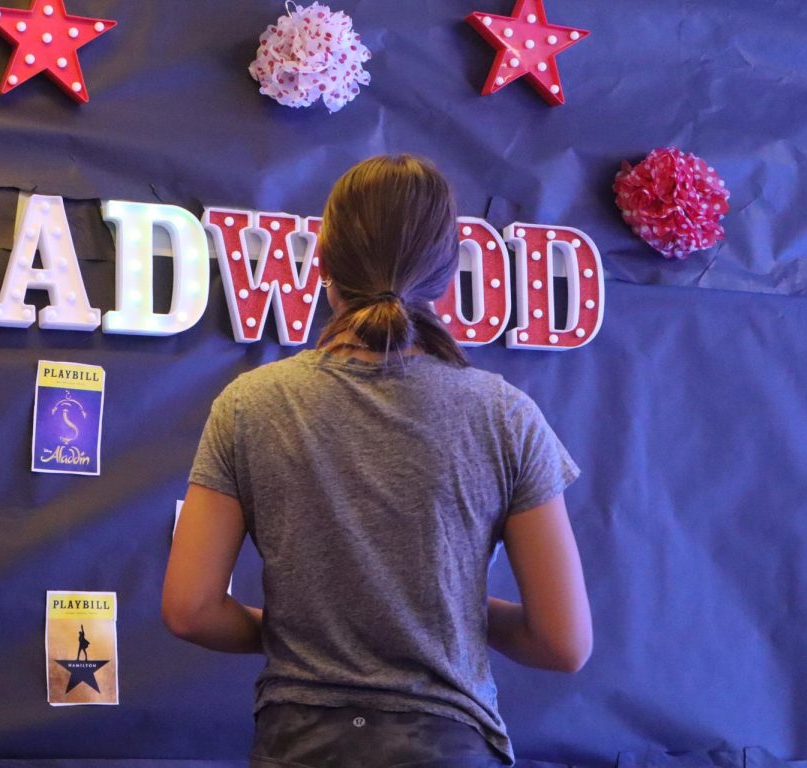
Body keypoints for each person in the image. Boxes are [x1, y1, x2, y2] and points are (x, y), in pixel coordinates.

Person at [163, 154, 591, 767]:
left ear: (324, 264)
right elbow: (563, 642)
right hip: (448, 744)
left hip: (299, 745)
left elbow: (189, 609)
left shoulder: (249, 405)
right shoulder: (505, 415)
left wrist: (301, 621)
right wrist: (445, 607)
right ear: (446, 275)